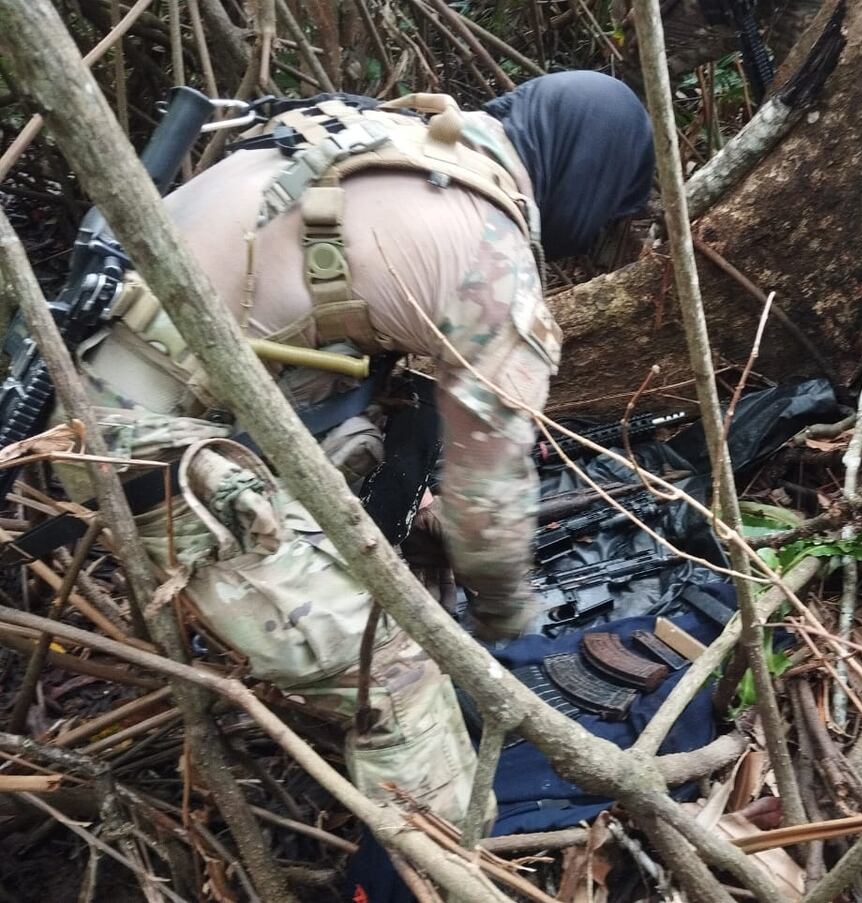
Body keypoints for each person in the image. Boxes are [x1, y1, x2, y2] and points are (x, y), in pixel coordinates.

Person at [53, 70, 653, 824]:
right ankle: (432, 858)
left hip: (95, 371)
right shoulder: (493, 257)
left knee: (392, 489)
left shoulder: (378, 130)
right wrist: (502, 636)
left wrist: (422, 517)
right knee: (401, 672)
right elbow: (492, 511)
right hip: (144, 448)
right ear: (591, 173)